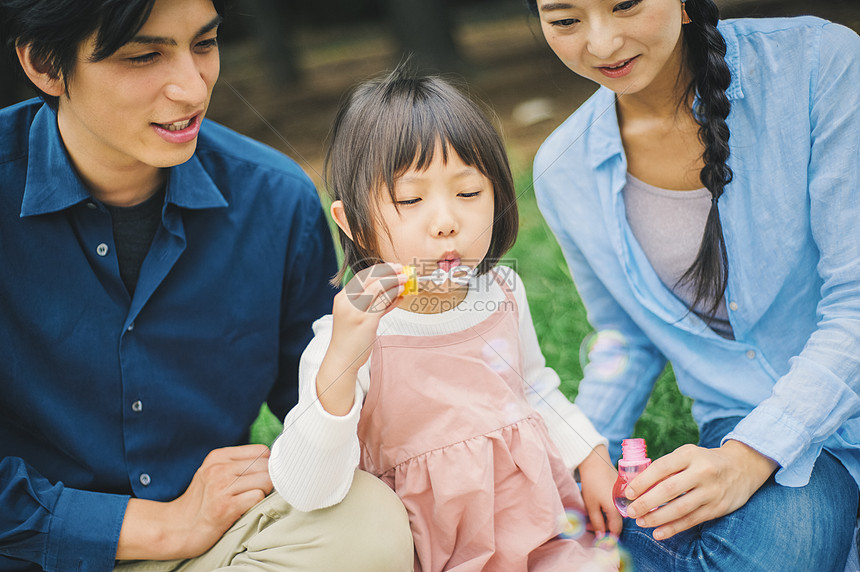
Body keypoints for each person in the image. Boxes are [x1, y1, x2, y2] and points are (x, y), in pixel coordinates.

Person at [0, 0, 413, 570]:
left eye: (204, 44)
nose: (193, 90)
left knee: (368, 523)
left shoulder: (275, 199)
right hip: (25, 550)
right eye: (145, 56)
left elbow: (332, 408)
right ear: (46, 64)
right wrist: (156, 527)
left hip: (219, 542)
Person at [526, 0, 860, 570]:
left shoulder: (815, 62)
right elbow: (626, 336)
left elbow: (854, 300)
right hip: (738, 419)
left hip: (806, 421)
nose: (602, 43)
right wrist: (583, 455)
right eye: (565, 20)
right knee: (542, 532)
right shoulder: (564, 168)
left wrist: (748, 458)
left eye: (625, 4)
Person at [267, 67, 623, 571]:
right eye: (410, 199)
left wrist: (590, 455)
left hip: (535, 529)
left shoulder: (503, 291)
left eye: (469, 193)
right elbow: (309, 489)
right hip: (427, 549)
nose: (446, 221)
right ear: (351, 223)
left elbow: (535, 386)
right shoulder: (349, 340)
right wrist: (344, 359)